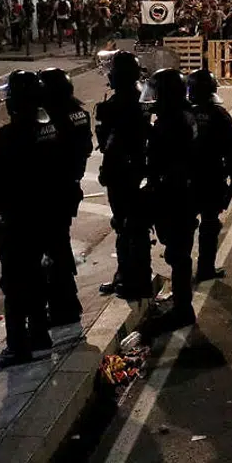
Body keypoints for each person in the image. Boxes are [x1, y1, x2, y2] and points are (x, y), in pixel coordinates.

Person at [0, 71, 58, 368]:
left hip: (16, 219)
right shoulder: (46, 127)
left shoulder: (8, 136)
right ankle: (39, 336)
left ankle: (17, 346)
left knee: (14, 283)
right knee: (36, 277)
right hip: (42, 213)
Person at [95, 50, 154, 301]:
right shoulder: (139, 97)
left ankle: (134, 279)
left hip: (123, 171)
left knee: (128, 225)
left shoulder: (116, 105)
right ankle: (129, 274)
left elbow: (109, 143)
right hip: (138, 168)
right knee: (131, 225)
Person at [144, 68, 199, 328]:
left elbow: (162, 163)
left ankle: (182, 309)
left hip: (175, 197)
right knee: (179, 253)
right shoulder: (185, 115)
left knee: (178, 255)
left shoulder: (172, 122)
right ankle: (181, 303)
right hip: (185, 195)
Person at [40, 67, 92, 326]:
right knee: (59, 243)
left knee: (53, 248)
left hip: (52, 189)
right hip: (69, 186)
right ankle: (67, 302)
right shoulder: (78, 112)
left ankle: (64, 307)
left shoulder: (52, 118)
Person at [187, 69, 232, 282]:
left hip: (186, 181)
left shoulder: (182, 114)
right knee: (210, 224)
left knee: (185, 227)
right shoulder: (219, 115)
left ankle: (183, 272)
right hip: (211, 179)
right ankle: (205, 268)